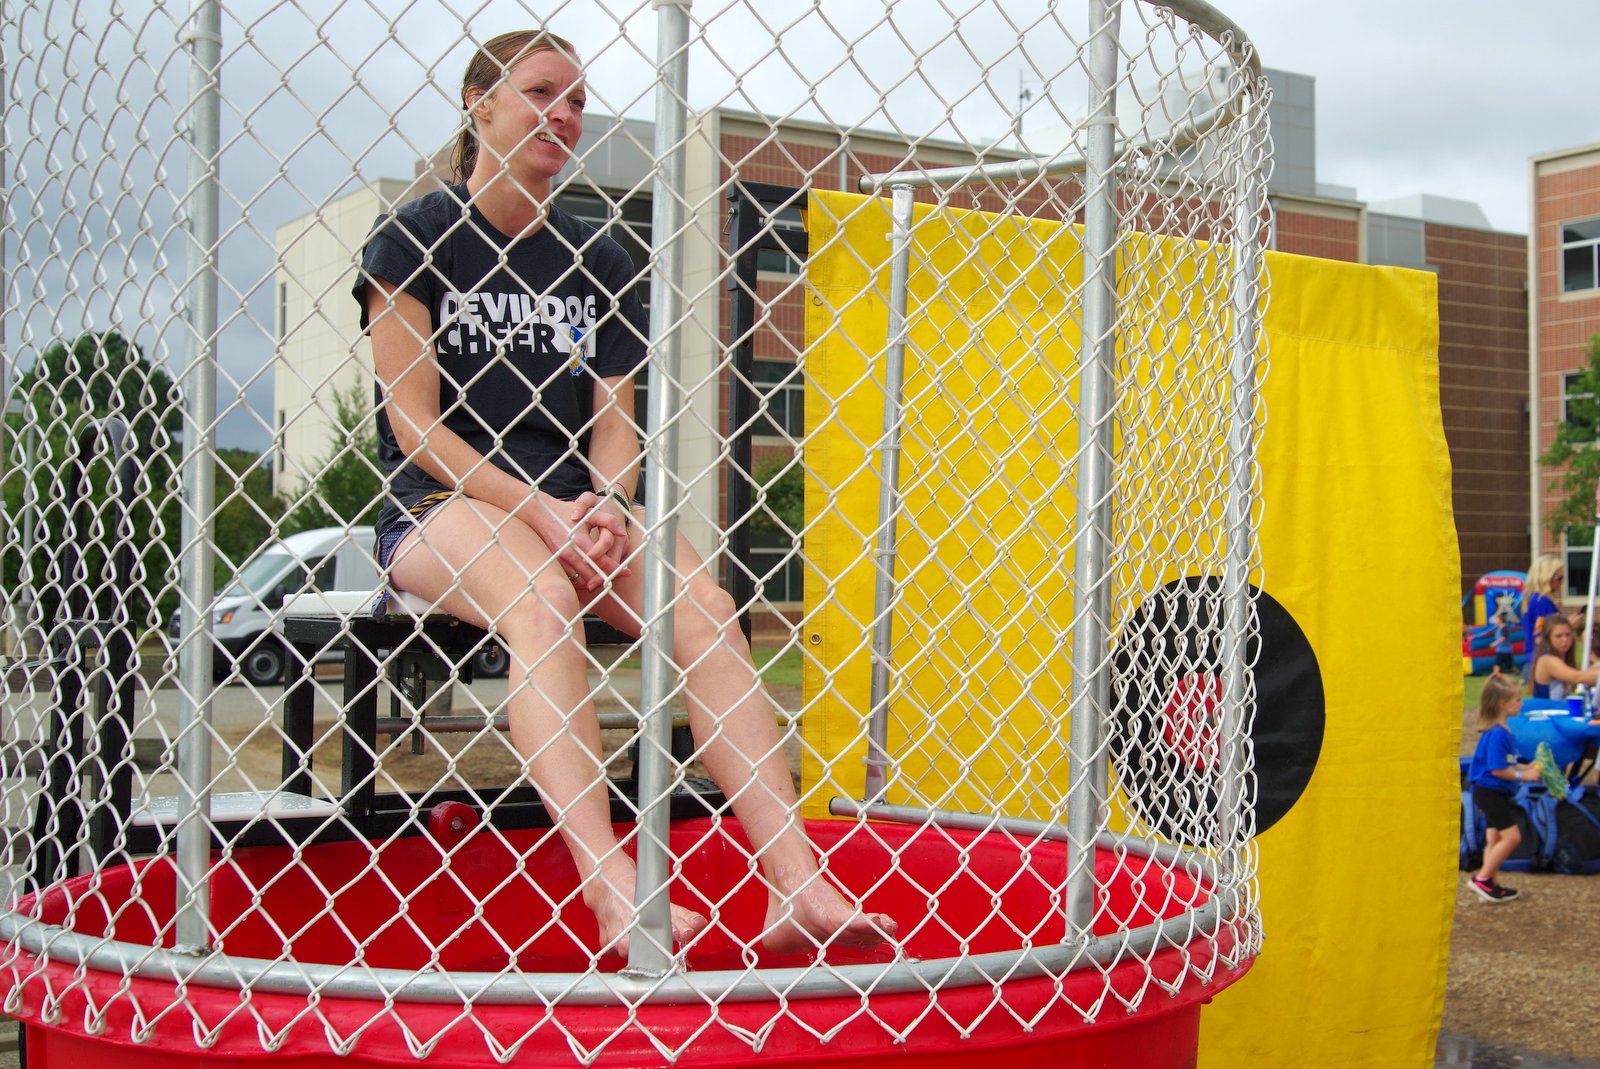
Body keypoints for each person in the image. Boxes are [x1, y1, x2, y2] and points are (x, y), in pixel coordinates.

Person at [353, 29, 895, 958]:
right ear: (481, 103)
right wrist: (543, 513)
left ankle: (797, 883)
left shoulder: (598, 255)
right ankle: (613, 889)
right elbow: (416, 429)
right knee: (543, 602)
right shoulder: (414, 237)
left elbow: (614, 421)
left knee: (708, 610)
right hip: (445, 504)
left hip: (578, 504)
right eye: (540, 92)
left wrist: (607, 501)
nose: (563, 114)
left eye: (576, 100)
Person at [1467, 675, 1545, 902]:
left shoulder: (1503, 731)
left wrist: (1527, 766)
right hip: (1490, 792)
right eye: (1517, 700)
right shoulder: (1497, 735)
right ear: (1503, 704)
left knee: (1494, 839)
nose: (1521, 703)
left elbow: (1507, 763)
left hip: (1495, 792)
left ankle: (1490, 883)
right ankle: (1482, 879)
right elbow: (1497, 769)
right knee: (1512, 838)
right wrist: (1524, 776)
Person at [1521, 555, 1572, 680]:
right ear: (1546, 577)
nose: (1561, 583)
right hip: (1542, 661)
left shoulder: (1534, 599)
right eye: (1559, 578)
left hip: (1534, 659)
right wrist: (1569, 625)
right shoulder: (1542, 602)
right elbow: (1540, 635)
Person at [1530, 615, 1600, 701]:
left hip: (1561, 707)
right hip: (1546, 708)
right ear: (1548, 638)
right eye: (1558, 636)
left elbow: (1586, 673)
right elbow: (1578, 677)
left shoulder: (1564, 660)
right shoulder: (1547, 660)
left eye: (1568, 635)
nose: (1565, 639)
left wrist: (1594, 658)